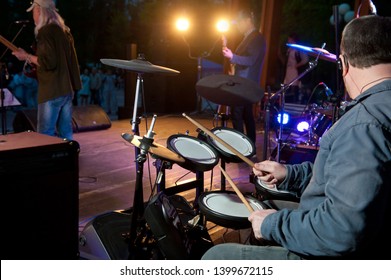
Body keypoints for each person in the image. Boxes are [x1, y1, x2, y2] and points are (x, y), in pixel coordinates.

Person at [202, 15, 391, 260]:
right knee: (267, 207)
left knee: (217, 257)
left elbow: (342, 232)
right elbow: (347, 177)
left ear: (343, 64)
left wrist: (273, 226)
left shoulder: (363, 125)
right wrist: (290, 174)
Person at [12, 0, 81, 140]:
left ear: (39, 11)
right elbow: (71, 62)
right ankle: (68, 161)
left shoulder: (45, 32)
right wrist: (74, 87)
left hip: (51, 92)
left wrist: (26, 56)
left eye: (33, 12)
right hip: (66, 90)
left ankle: (48, 162)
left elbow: (48, 62)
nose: (33, 16)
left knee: (45, 135)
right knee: (66, 135)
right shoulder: (63, 31)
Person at [222, 9, 266, 147]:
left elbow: (251, 60)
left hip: (245, 84)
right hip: (244, 83)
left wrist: (233, 56)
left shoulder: (257, 38)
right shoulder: (249, 37)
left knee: (237, 113)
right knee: (246, 115)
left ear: (248, 21)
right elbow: (242, 60)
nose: (238, 26)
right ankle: (248, 145)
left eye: (239, 22)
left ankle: (240, 147)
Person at [281, 33, 310, 104]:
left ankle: (292, 102)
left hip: (294, 71)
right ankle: (286, 103)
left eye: (289, 39)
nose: (288, 40)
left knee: (293, 87)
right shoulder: (289, 49)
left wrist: (297, 65)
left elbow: (305, 59)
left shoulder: (298, 49)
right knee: (286, 88)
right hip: (288, 71)